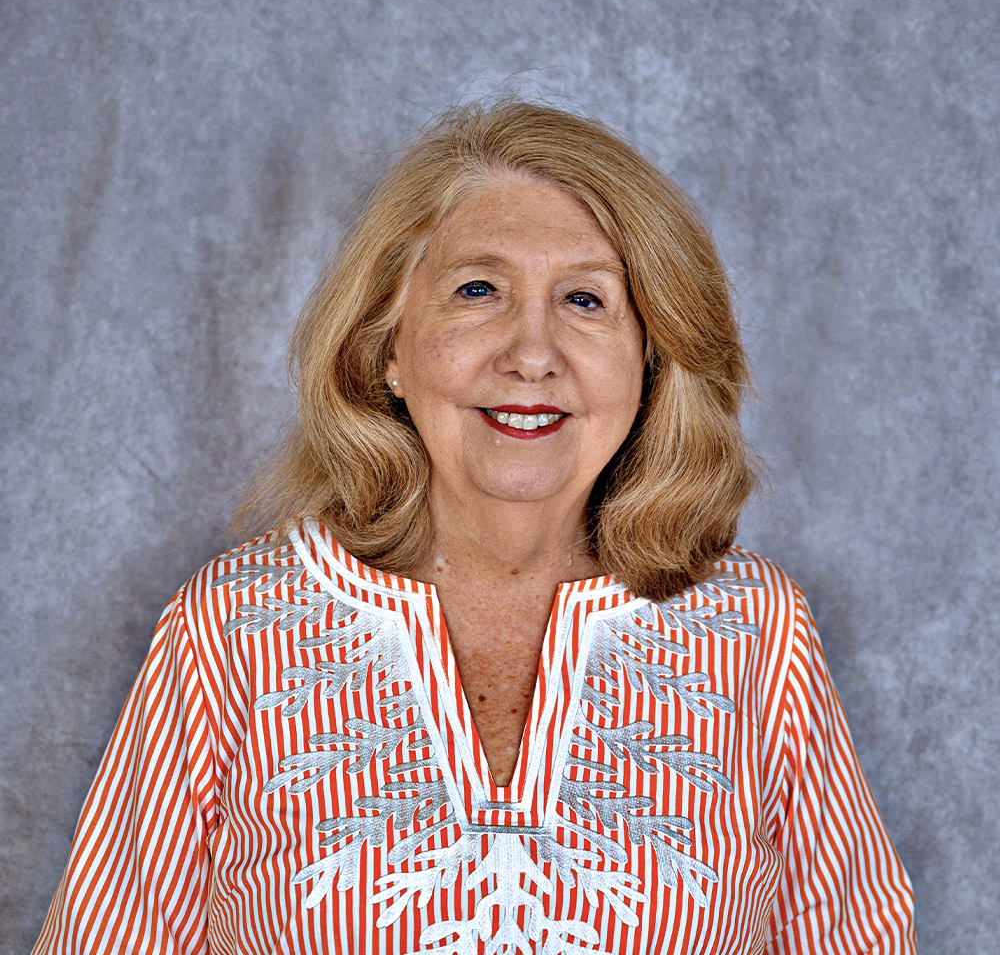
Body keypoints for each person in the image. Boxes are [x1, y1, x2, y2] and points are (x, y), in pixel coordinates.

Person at [33, 100, 916, 954]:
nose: (531, 354)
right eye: (479, 289)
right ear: (388, 345)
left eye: (586, 300)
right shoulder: (229, 634)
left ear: (651, 359)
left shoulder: (756, 636)